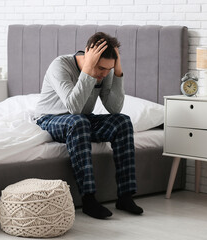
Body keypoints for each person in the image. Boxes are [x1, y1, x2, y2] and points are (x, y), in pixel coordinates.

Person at [34, 32, 143, 219]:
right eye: (101, 68)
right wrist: (89, 71)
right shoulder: (60, 65)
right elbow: (74, 107)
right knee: (79, 122)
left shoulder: (106, 71)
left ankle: (125, 196)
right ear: (88, 54)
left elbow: (114, 108)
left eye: (108, 69)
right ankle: (89, 199)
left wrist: (117, 72)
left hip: (81, 120)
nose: (102, 74)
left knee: (122, 121)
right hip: (51, 118)